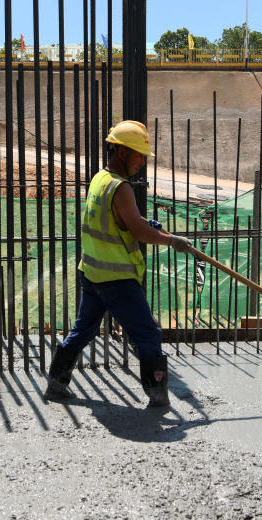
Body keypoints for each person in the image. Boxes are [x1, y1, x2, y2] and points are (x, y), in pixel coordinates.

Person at [45, 120, 192, 407]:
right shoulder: (122, 188)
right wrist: (171, 239)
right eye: (139, 155)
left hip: (93, 274)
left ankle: (56, 382)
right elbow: (137, 232)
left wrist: (144, 223)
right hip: (118, 279)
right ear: (122, 153)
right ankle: (158, 394)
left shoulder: (101, 179)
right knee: (148, 332)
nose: (141, 162)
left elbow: (120, 222)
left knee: (83, 330)